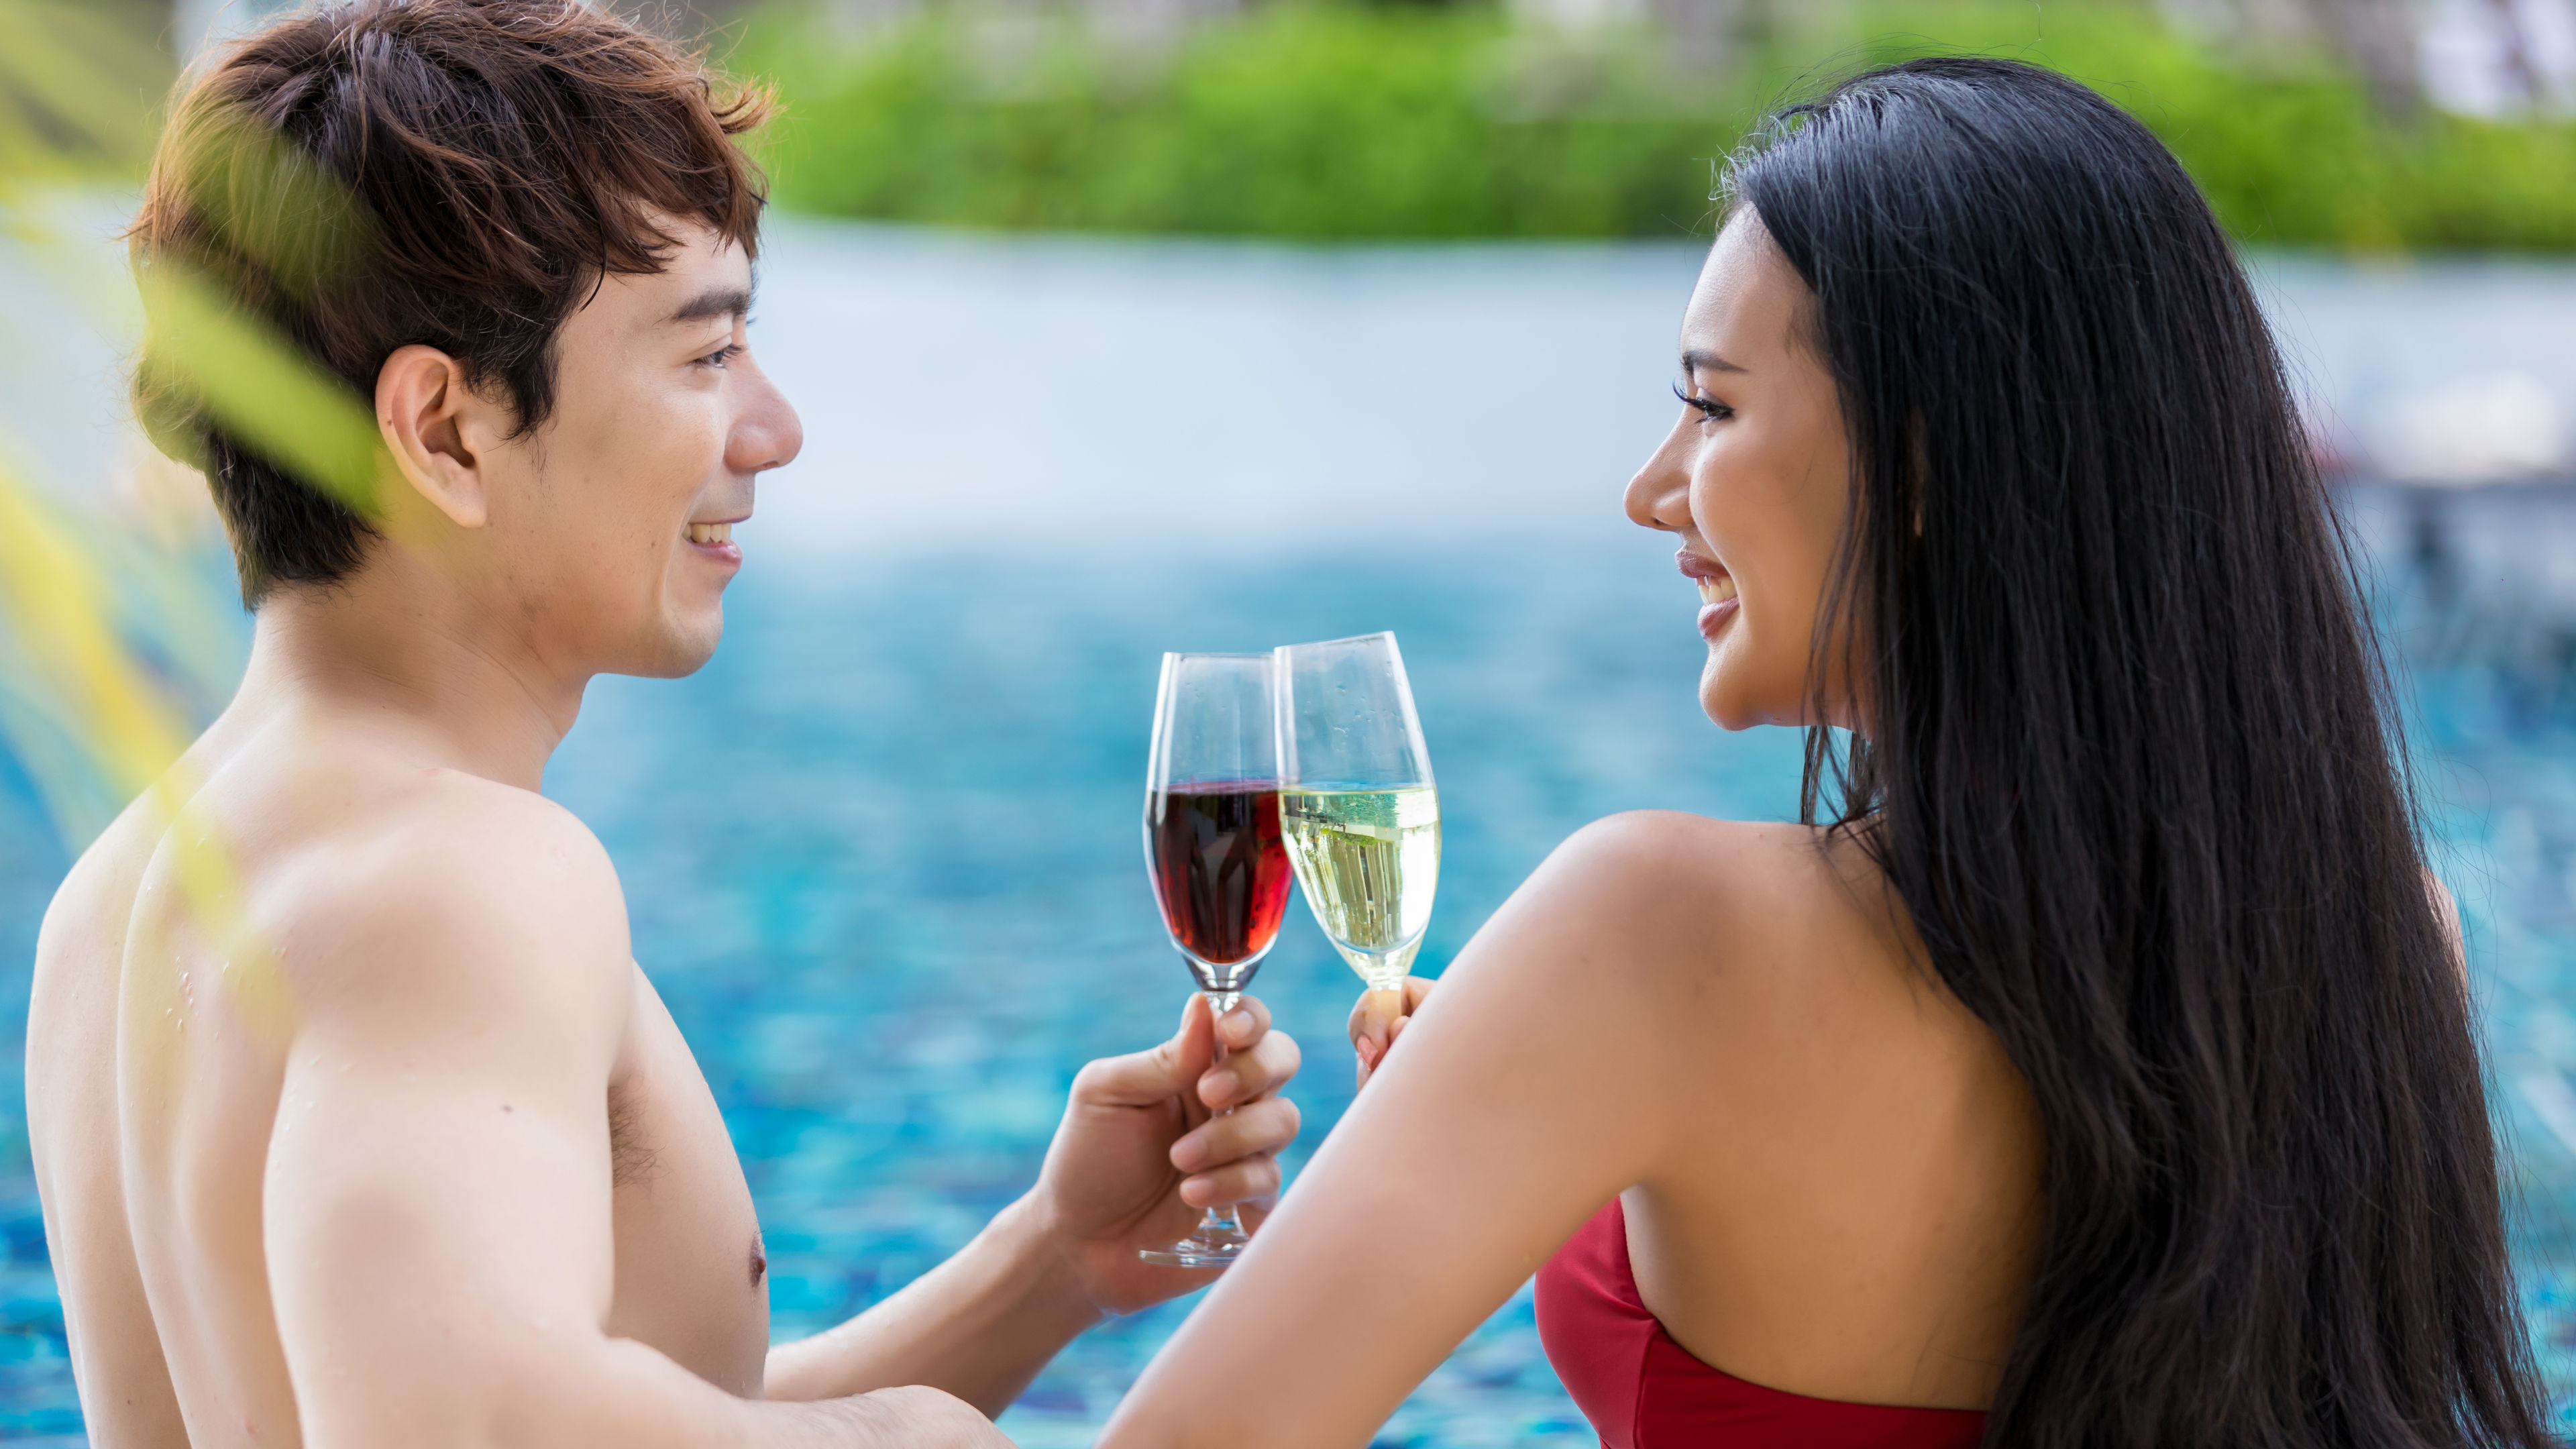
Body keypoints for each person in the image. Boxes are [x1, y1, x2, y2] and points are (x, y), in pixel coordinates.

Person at [1101, 58, 2553, 1449]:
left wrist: (1540, 1046)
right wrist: (1512, 1095)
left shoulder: (1656, 928)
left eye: (1714, 404)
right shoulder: (2378, 942)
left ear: (1922, 467)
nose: (1648, 490)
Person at [24, 3, 1302, 1444]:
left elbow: (564, 1394)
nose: (774, 430)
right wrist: (920, 1440)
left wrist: (1046, 1264)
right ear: (445, 431)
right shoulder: (460, 875)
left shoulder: (121, 902)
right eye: (706, 356)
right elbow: (472, 1419)